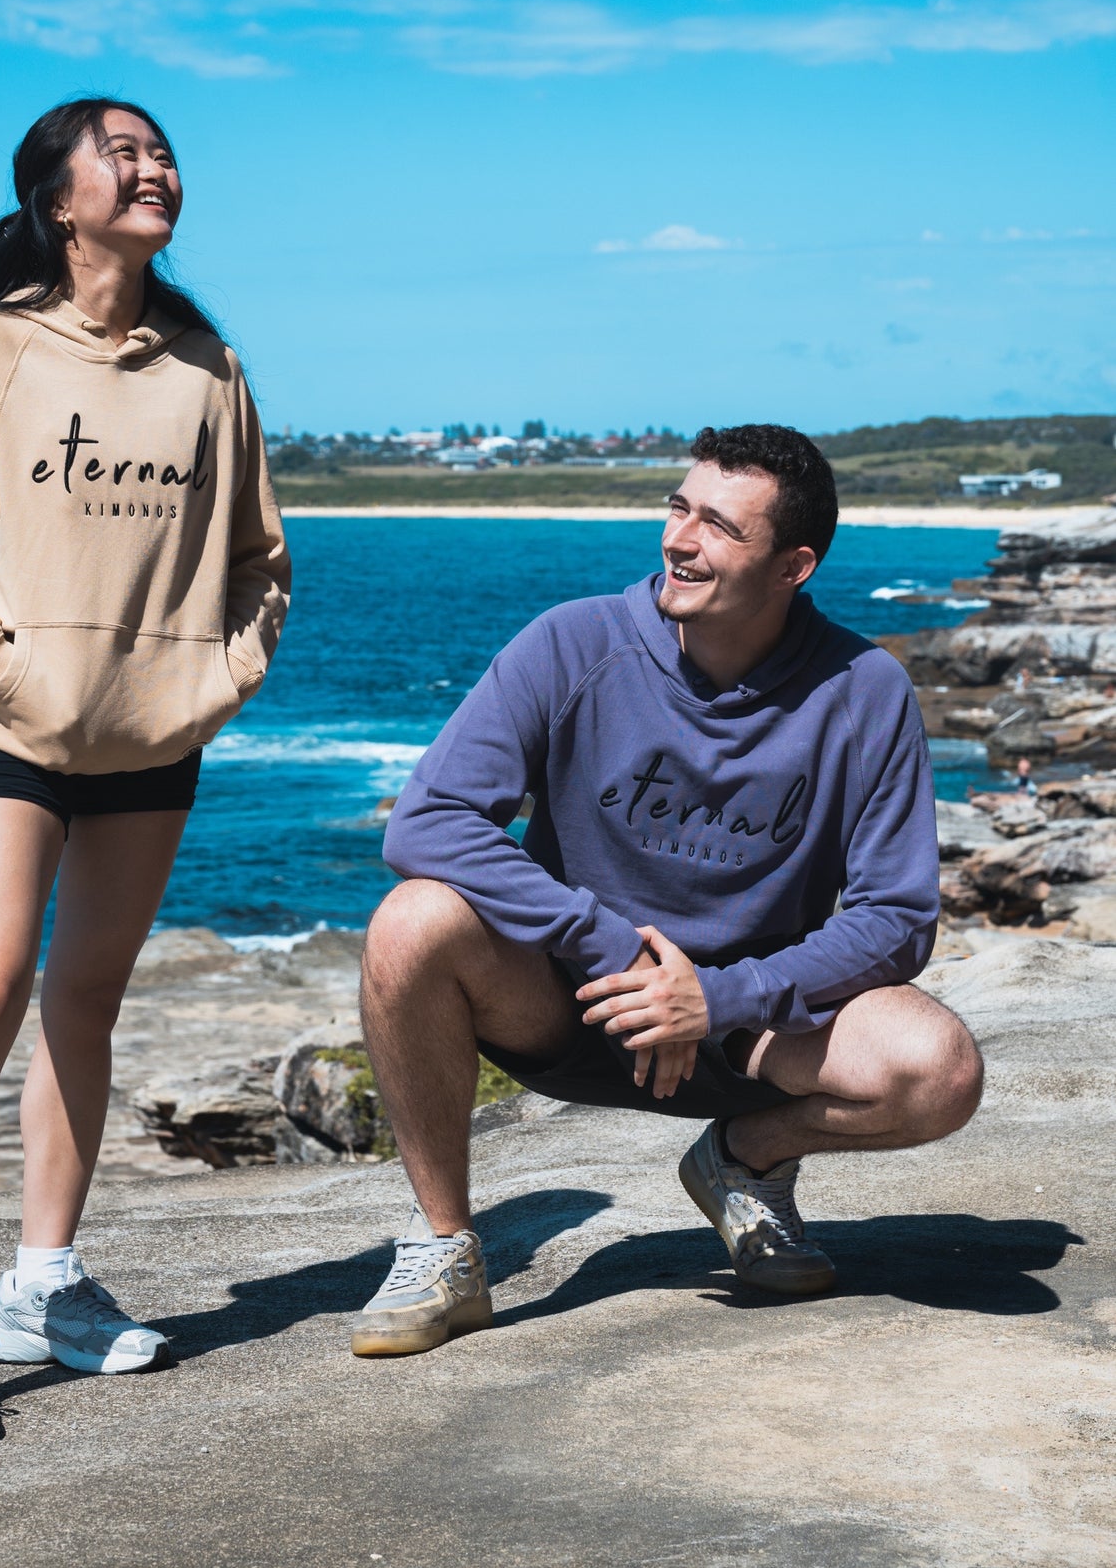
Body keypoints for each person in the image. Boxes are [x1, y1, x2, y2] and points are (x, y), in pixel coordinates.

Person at [351, 423, 981, 1356]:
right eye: (677, 509)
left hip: (746, 1031)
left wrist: (715, 998)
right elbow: (428, 822)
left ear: (791, 566)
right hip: (573, 1002)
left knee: (939, 1071)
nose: (679, 540)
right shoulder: (573, 643)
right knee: (410, 923)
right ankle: (446, 1246)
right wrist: (611, 948)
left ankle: (742, 1162)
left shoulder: (865, 688)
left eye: (719, 526)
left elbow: (895, 918)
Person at [0, 98, 290, 1442]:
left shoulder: (207, 366)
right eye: (126, 153)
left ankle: (43, 1283)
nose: (155, 168)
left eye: (164, 153)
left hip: (153, 742)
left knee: (85, 1001)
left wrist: (219, 674)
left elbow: (259, 560)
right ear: (59, 198)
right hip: (9, 734)